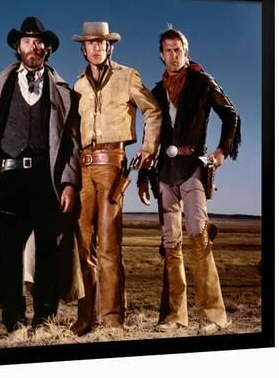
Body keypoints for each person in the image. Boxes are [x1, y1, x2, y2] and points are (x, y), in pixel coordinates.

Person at [0, 16, 82, 333]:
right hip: (8, 178)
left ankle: (44, 319)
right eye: (28, 41)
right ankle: (14, 322)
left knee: (48, 252)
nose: (35, 46)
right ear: (18, 47)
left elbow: (72, 142)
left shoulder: (64, 92)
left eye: (40, 41)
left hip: (47, 179)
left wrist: (69, 182)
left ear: (48, 49)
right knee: (9, 255)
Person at [138, 27, 240, 334]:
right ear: (160, 54)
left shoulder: (202, 81)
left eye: (177, 50)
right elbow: (151, 137)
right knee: (171, 243)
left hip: (194, 167)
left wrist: (221, 152)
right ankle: (174, 317)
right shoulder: (156, 91)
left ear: (186, 51)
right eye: (167, 51)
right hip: (164, 173)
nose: (172, 55)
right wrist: (144, 175)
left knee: (198, 234)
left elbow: (231, 115)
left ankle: (214, 316)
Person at [70, 22, 162, 336]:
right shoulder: (78, 84)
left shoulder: (127, 77)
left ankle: (111, 320)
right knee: (84, 246)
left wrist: (148, 149)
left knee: (109, 246)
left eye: (101, 43)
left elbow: (154, 111)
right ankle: (86, 317)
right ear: (83, 48)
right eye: (89, 43)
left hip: (112, 164)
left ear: (110, 47)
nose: (95, 48)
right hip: (82, 166)